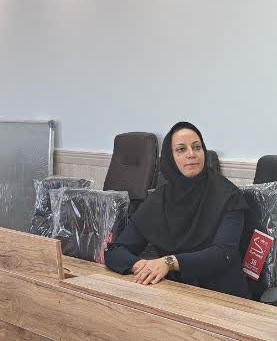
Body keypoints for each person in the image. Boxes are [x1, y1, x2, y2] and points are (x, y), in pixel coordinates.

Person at [104, 122, 250, 298]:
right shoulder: (159, 199)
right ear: (170, 158)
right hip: (174, 292)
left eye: (197, 147)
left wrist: (169, 262)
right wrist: (140, 265)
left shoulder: (228, 195)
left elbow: (222, 255)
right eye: (181, 149)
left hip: (223, 296)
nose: (191, 154)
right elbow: (116, 251)